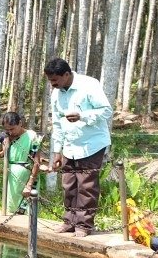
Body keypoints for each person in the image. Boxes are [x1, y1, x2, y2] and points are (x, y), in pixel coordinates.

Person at [44, 58, 113, 237]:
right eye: (50, 81)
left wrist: (82, 116)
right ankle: (69, 221)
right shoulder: (56, 94)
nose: (53, 85)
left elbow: (106, 110)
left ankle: (84, 224)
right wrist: (57, 151)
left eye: (55, 80)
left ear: (66, 74)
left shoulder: (89, 85)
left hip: (92, 144)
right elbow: (57, 123)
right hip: (69, 146)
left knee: (86, 185)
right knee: (68, 184)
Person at [0, 112, 41, 214]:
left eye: (12, 129)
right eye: (7, 129)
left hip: (27, 177)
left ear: (20, 123)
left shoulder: (32, 136)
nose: (10, 132)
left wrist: (30, 184)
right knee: (11, 208)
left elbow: (36, 162)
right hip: (10, 178)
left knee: (28, 211)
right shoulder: (3, 137)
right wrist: (3, 151)